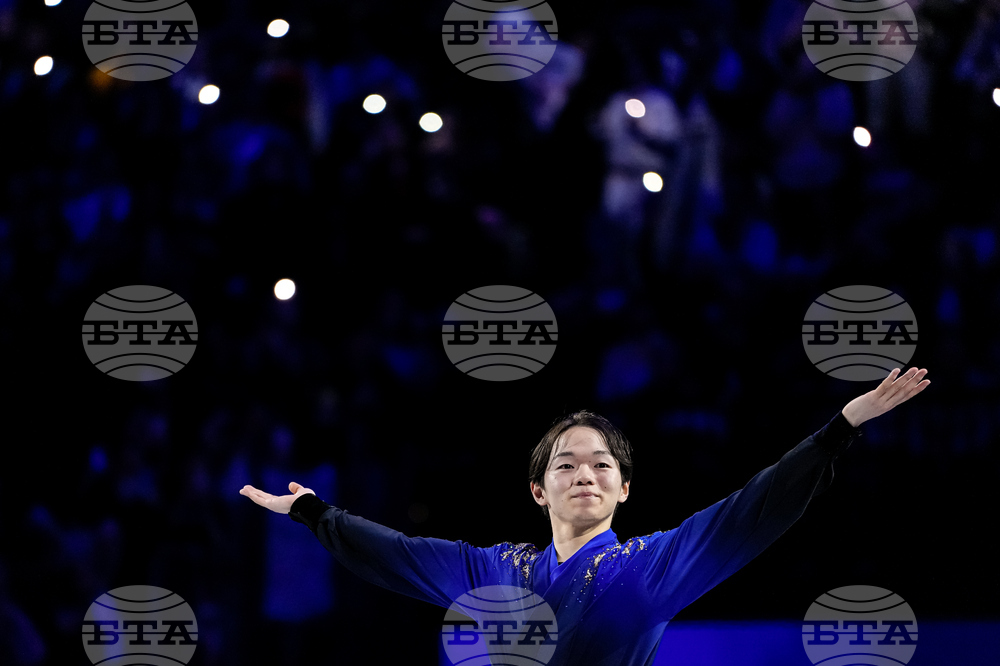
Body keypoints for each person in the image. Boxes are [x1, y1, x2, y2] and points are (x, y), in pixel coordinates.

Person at [241, 367, 930, 665]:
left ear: (624, 489)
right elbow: (401, 553)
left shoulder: (651, 567)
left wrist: (840, 428)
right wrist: (313, 512)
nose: (585, 474)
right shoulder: (496, 569)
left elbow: (750, 510)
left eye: (602, 464)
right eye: (566, 464)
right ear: (538, 489)